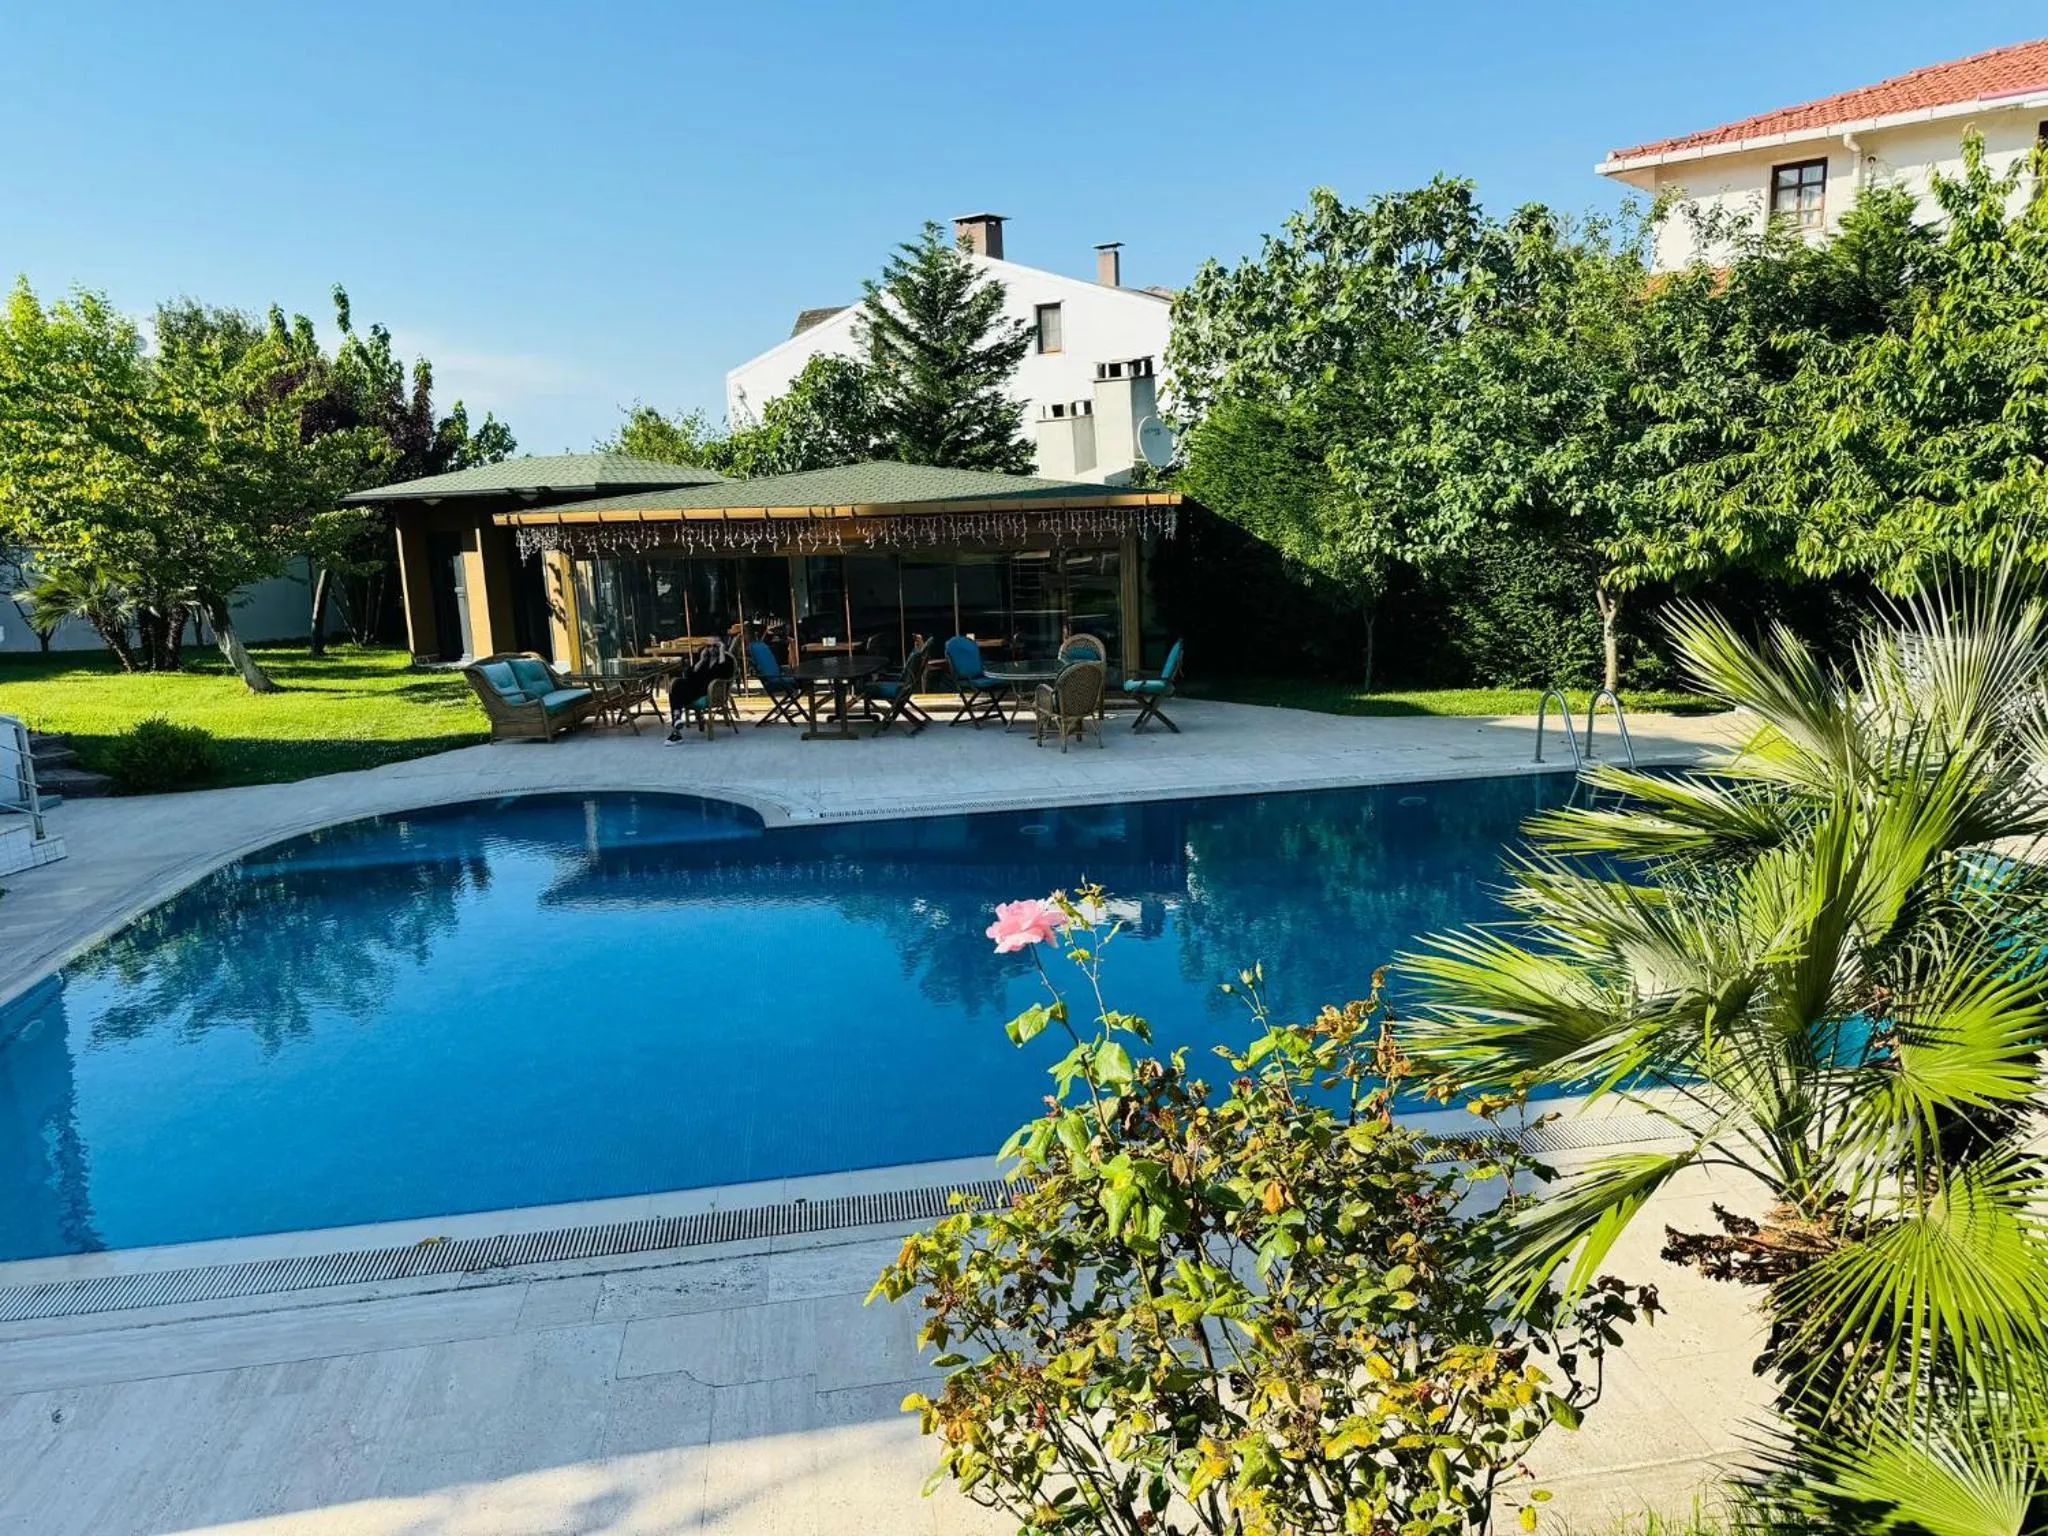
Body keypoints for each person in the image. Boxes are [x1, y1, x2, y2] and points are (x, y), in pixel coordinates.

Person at [665, 639, 736, 743]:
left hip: (709, 692)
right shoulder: (705, 660)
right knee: (676, 685)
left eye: (715, 646)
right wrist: (701, 660)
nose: (712, 649)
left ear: (721, 646)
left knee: (677, 695)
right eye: (709, 646)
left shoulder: (727, 660)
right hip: (695, 688)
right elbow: (689, 675)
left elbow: (724, 673)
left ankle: (676, 726)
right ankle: (676, 722)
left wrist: (722, 652)